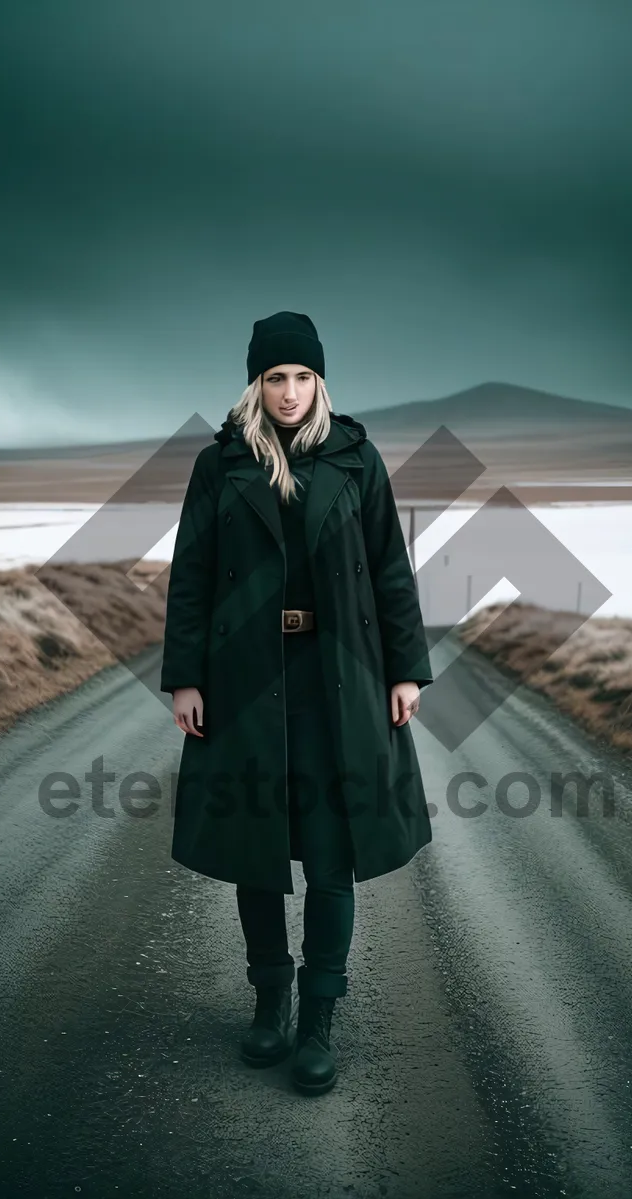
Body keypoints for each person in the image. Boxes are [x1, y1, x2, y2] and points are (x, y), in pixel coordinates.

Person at [160, 310, 433, 1095]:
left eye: (301, 377)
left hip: (337, 676)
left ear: (321, 382)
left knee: (330, 853)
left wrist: (404, 671)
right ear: (257, 382)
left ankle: (318, 1020)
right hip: (248, 678)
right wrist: (187, 676)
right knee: (256, 847)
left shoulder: (356, 458)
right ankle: (269, 1004)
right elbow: (192, 576)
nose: (288, 391)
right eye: (275, 377)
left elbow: (390, 570)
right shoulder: (221, 463)